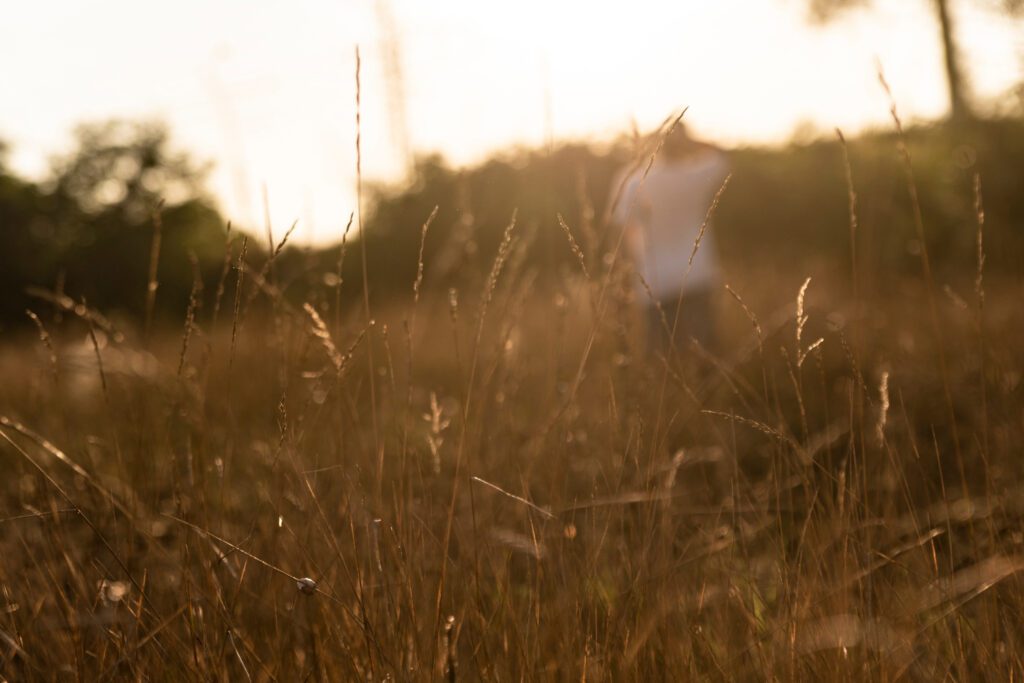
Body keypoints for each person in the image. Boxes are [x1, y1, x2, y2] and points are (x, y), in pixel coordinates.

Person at [611, 123, 729, 355]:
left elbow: (624, 232)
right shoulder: (697, 175)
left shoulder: (635, 181)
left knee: (662, 358)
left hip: (655, 282)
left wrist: (627, 276)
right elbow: (723, 156)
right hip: (697, 276)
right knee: (705, 355)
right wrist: (694, 141)